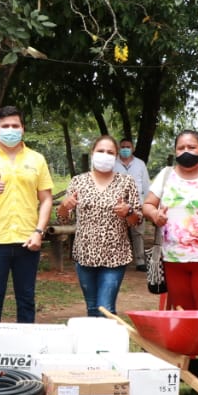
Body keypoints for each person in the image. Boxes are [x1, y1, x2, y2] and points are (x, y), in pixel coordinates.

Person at [0, 105, 54, 323]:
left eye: (15, 125)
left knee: (26, 299)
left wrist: (39, 232)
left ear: (23, 128)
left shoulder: (37, 159)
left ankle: (25, 352)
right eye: (5, 126)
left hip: (27, 240)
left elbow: (46, 199)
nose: (10, 130)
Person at [141, 129, 198, 312]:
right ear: (175, 152)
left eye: (192, 147)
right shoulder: (166, 175)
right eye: (181, 148)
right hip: (173, 258)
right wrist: (155, 215)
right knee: (182, 312)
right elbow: (148, 204)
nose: (186, 151)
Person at [58, 135, 141, 316]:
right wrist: (65, 206)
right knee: (92, 308)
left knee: (106, 309)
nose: (105, 155)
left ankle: (108, 344)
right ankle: (95, 345)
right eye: (100, 151)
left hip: (115, 255)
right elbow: (63, 218)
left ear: (116, 156)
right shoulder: (78, 182)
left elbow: (137, 221)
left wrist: (128, 212)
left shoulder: (127, 182)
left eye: (110, 152)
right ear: (92, 153)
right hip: (85, 254)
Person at [116, 137, 150, 270]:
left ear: (133, 148)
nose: (125, 149)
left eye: (128, 147)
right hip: (118, 203)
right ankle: (119, 260)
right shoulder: (113, 164)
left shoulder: (140, 164)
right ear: (119, 148)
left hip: (137, 202)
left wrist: (147, 204)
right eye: (123, 147)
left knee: (138, 232)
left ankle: (140, 261)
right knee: (118, 231)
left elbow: (146, 184)